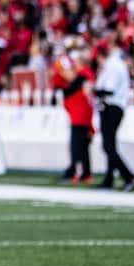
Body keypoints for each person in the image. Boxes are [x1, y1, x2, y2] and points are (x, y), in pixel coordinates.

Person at [93, 40, 134, 190]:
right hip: (113, 106)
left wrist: (93, 90)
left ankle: (128, 176)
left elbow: (108, 89)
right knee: (110, 145)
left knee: (108, 146)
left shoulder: (113, 66)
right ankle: (109, 178)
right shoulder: (116, 65)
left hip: (112, 106)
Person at [52, 47, 95, 183]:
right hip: (79, 114)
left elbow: (72, 85)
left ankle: (74, 171)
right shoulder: (82, 75)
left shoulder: (83, 74)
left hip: (80, 115)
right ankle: (85, 173)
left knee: (76, 145)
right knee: (82, 146)